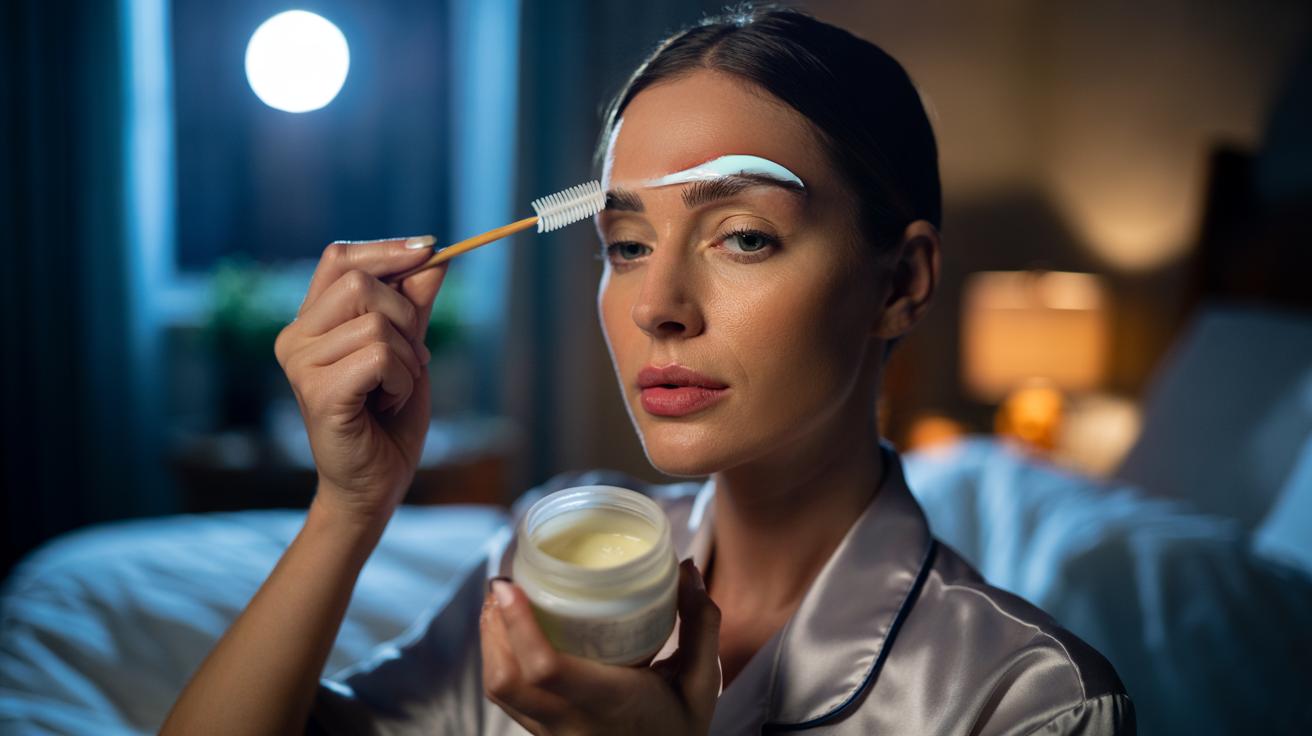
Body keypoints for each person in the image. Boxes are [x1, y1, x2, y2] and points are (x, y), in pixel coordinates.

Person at [163, 7, 1133, 735]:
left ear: (902, 281)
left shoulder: (1031, 700)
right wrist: (348, 506)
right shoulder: (549, 568)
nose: (655, 303)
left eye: (743, 237)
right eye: (625, 244)